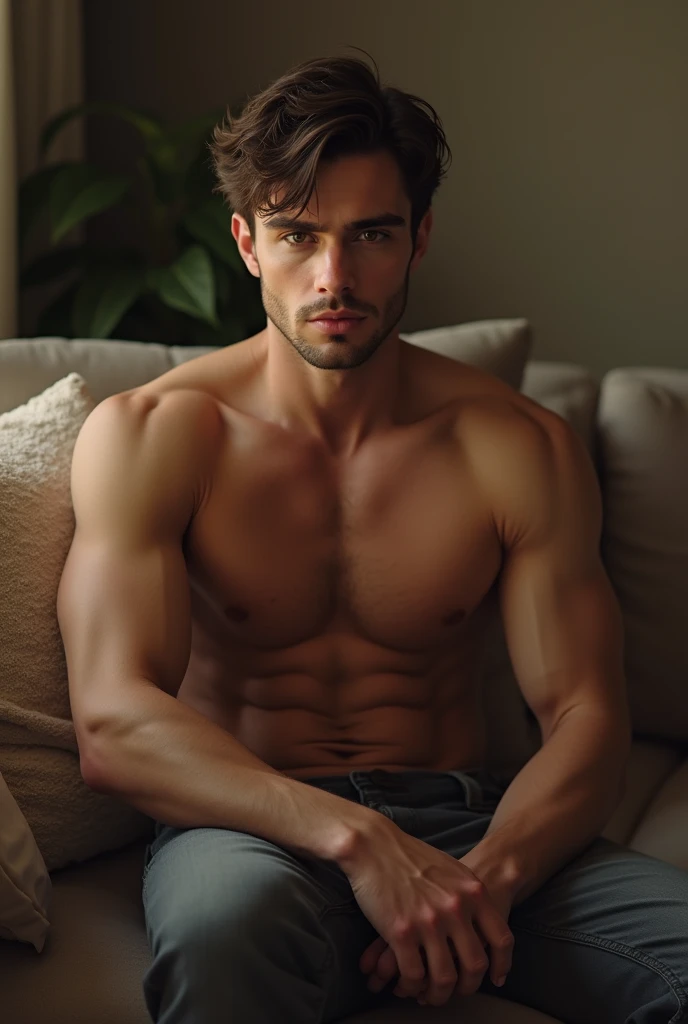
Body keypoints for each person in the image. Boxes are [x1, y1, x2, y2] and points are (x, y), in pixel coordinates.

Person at [56, 49, 688, 1024]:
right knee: (224, 934)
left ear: (419, 238)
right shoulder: (155, 435)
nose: (334, 276)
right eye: (297, 236)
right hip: (249, 830)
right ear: (246, 242)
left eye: (372, 234)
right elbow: (113, 723)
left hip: (469, 829)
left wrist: (483, 883)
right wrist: (361, 842)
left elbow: (586, 718)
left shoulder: (516, 446)